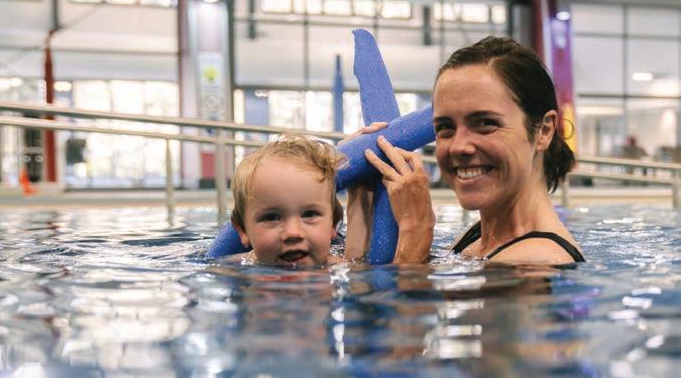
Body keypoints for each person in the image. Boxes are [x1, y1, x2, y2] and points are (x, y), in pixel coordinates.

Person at [357, 36, 584, 265]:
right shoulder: (479, 236)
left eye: (485, 123)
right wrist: (361, 202)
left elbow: (401, 286)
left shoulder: (534, 262)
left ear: (544, 131)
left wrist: (416, 228)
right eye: (445, 127)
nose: (459, 147)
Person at [230, 134, 345, 266]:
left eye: (309, 214)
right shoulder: (230, 267)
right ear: (243, 231)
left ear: (333, 224)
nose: (292, 233)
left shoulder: (340, 266)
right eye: (272, 217)